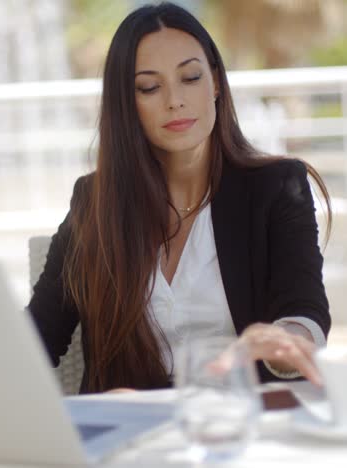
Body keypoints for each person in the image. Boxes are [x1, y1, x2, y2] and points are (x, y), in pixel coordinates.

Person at [28, 2, 331, 394]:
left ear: (217, 83)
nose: (174, 100)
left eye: (190, 77)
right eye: (149, 87)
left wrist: (283, 342)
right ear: (126, 103)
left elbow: (304, 310)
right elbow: (39, 336)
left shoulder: (277, 186)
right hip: (128, 438)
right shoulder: (95, 202)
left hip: (239, 428)